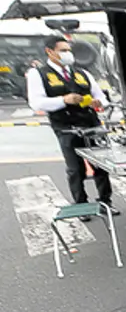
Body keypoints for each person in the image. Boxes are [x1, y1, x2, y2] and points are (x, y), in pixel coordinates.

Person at [27, 35, 117, 219]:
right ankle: (81, 205)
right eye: (63, 51)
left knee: (101, 165)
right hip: (66, 126)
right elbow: (36, 103)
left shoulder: (82, 73)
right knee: (75, 168)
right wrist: (63, 100)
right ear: (50, 52)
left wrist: (99, 102)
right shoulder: (39, 74)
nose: (68, 54)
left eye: (69, 50)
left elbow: (101, 97)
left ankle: (105, 202)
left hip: (91, 124)